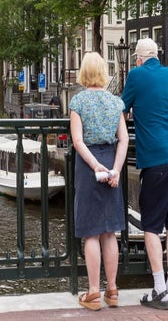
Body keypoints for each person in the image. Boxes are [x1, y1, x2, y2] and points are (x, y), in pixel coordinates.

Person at [121, 38, 168, 310]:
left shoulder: (136, 75)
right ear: (157, 56)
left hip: (156, 161)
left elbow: (121, 111)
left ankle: (159, 289)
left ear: (138, 59)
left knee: (150, 225)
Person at [69, 52, 129, 311]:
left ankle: (93, 292)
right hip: (111, 159)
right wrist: (115, 169)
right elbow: (124, 139)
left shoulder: (78, 101)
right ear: (103, 72)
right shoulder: (116, 102)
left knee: (91, 232)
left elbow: (78, 141)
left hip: (89, 164)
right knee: (109, 232)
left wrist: (96, 166)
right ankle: (112, 290)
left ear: (84, 72)